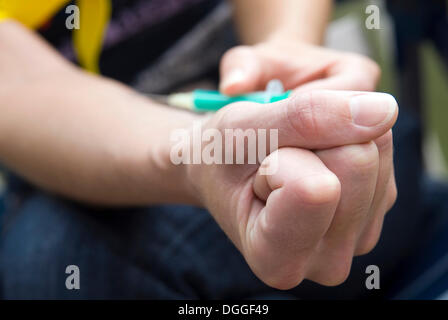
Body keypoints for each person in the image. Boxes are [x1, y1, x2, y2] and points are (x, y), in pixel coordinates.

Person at [0, 0, 408, 299]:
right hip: (96, 157)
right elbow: (17, 84)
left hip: (324, 173)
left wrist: (288, 47)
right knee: (58, 260)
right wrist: (195, 151)